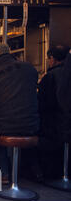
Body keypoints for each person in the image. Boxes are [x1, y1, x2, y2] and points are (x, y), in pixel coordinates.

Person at [0, 43, 41, 184]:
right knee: (25, 130)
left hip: (4, 128)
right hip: (32, 127)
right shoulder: (30, 69)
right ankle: (34, 171)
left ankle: (3, 175)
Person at [38, 45, 71, 178]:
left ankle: (48, 173)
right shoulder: (66, 74)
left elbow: (43, 103)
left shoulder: (51, 76)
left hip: (57, 125)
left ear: (52, 58)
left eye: (49, 58)